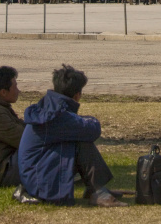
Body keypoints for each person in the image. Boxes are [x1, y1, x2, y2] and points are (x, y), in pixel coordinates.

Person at [18, 64, 126, 207]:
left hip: (34, 176)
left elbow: (78, 125)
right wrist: (89, 120)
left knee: (78, 137)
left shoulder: (49, 108)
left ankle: (95, 189)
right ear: (77, 95)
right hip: (40, 183)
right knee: (82, 142)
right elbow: (92, 129)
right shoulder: (57, 116)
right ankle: (98, 191)